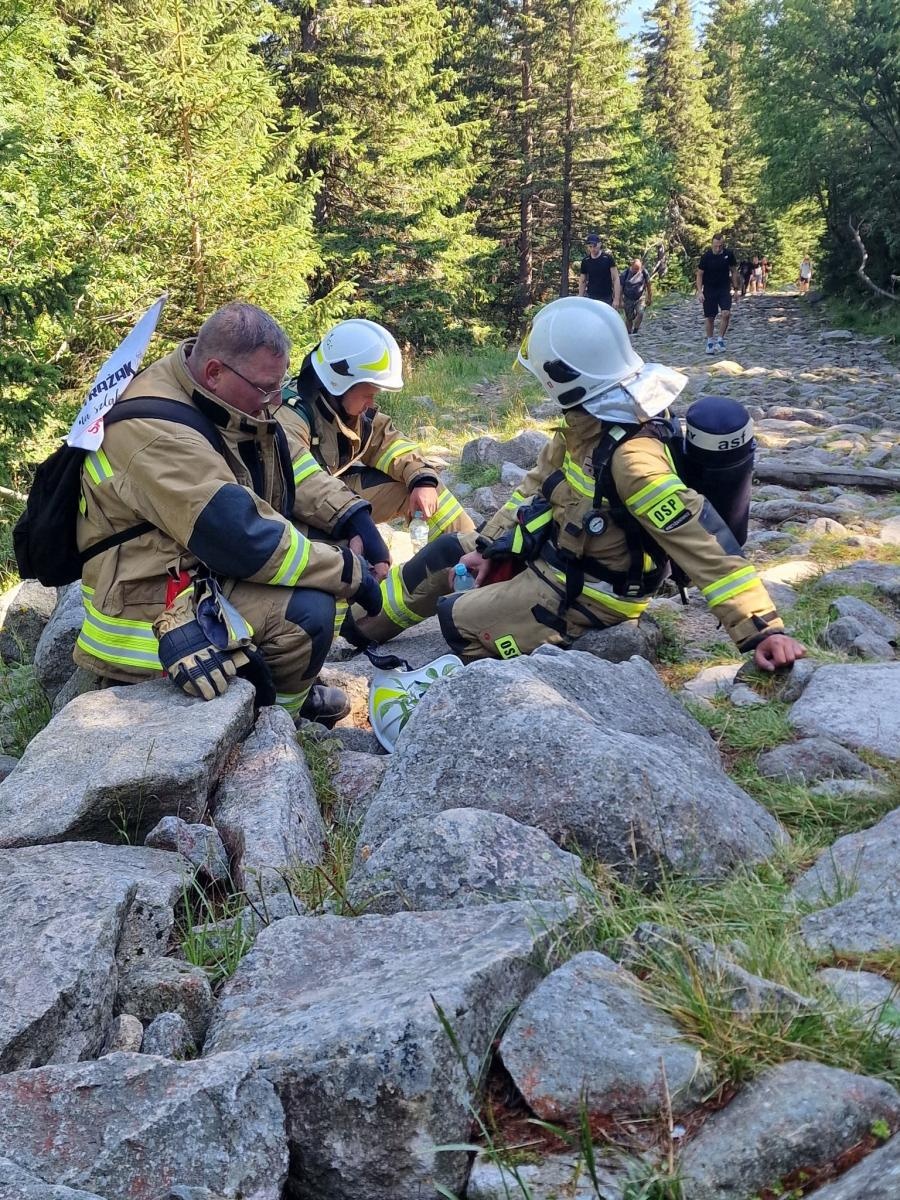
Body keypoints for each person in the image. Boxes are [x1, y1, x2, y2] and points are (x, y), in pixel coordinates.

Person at [355, 298, 805, 678]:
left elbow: (703, 541)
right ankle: (357, 629)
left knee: (461, 619)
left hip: (588, 593)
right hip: (559, 553)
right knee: (445, 554)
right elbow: (532, 489)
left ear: (564, 376)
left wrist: (763, 629)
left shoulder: (631, 459)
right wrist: (491, 548)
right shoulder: (585, 425)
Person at [74, 302, 383, 727]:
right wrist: (349, 571)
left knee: (318, 552)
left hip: (186, 558)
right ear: (216, 371)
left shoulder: (214, 391)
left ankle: (279, 688)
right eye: (265, 389)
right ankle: (279, 725)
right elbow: (242, 538)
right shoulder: (155, 432)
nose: (274, 400)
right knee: (307, 611)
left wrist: (351, 515)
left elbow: (286, 456)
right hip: (145, 605)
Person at [278, 319, 474, 614]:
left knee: (423, 493)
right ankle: (347, 624)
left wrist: (421, 479)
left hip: (336, 501)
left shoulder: (348, 409)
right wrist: (361, 526)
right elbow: (308, 488)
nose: (372, 403)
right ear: (338, 384)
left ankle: (475, 559)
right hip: (293, 515)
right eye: (368, 394)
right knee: (348, 550)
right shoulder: (289, 418)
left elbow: (389, 443)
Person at [696, 233, 739, 354]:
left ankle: (720, 340)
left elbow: (734, 271)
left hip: (724, 289)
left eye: (720, 246)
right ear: (712, 244)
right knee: (710, 317)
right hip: (709, 289)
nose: (718, 248)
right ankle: (710, 341)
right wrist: (700, 291)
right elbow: (699, 274)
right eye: (716, 246)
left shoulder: (728, 254)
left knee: (726, 313)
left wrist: (736, 289)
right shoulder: (706, 257)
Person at [578, 233, 621, 308]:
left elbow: (616, 278)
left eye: (594, 246)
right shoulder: (586, 261)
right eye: (590, 246)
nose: (592, 249)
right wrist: (580, 297)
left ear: (599, 244)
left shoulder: (607, 259)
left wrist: (616, 299)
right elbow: (582, 280)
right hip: (591, 297)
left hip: (606, 297)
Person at [620, 258, 652, 334]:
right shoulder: (625, 273)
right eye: (635, 269)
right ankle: (629, 332)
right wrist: (619, 299)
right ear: (631, 266)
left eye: (638, 269)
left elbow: (648, 285)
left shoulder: (644, 272)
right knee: (629, 317)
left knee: (640, 313)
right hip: (628, 298)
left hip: (640, 297)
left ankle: (636, 330)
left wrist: (649, 297)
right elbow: (620, 287)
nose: (637, 270)